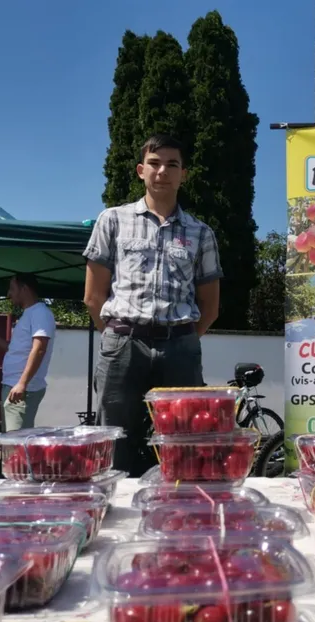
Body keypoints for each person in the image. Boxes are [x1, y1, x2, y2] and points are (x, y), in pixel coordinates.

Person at [83, 133, 222, 477]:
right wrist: (117, 336)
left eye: (172, 164)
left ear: (183, 174)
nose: (162, 171)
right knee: (115, 441)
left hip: (180, 348)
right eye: (155, 163)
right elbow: (93, 296)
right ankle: (115, 507)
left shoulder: (202, 233)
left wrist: (182, 339)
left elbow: (210, 306)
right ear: (140, 170)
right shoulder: (112, 220)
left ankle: (180, 507)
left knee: (184, 441)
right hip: (123, 345)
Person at [0, 273, 56, 431]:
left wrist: (22, 383)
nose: (8, 294)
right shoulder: (29, 314)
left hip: (21, 389)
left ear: (24, 289)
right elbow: (19, 350)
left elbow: (39, 349)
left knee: (16, 441)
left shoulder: (39, 313)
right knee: (11, 440)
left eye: (12, 288)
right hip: (15, 387)